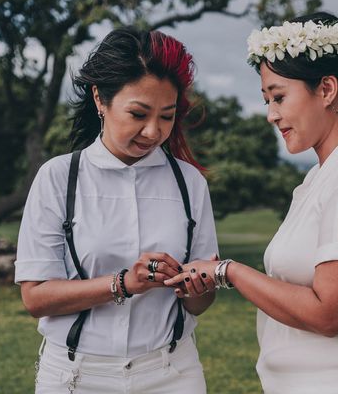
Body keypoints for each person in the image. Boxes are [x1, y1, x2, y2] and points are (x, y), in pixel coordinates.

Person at [166, 12, 338, 394]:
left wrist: (228, 271)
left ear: (326, 90)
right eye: (267, 99)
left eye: (279, 96)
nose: (272, 115)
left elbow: (329, 313)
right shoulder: (322, 175)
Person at [15, 27, 218, 394]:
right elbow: (35, 297)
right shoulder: (59, 177)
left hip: (172, 373)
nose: (154, 131)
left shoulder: (190, 183)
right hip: (76, 377)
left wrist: (195, 286)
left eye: (167, 116)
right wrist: (123, 283)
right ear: (100, 99)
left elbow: (199, 305)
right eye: (138, 114)